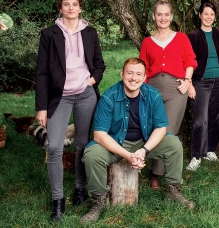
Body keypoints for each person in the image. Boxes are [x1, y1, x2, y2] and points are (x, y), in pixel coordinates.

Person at [80, 58, 195, 223]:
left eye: (138, 74)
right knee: (91, 153)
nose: (134, 78)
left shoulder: (153, 94)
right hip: (116, 143)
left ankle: (173, 190)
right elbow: (99, 135)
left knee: (174, 144)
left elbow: (161, 128)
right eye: (130, 73)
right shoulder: (109, 97)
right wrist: (128, 155)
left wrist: (143, 150)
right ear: (122, 74)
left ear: (144, 77)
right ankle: (98, 200)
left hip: (144, 141)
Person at [35, 0, 105, 221]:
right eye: (67, 3)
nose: (71, 7)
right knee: (54, 147)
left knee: (84, 145)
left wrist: (92, 80)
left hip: (86, 95)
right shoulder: (49, 34)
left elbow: (99, 64)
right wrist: (41, 107)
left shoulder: (90, 33)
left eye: (75, 3)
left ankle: (79, 190)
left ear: (81, 7)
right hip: (59, 98)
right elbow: (42, 73)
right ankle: (58, 200)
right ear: (60, 7)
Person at [139, 0, 197, 188]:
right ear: (154, 17)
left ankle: (158, 174)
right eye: (159, 15)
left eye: (166, 14)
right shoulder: (147, 42)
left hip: (176, 88)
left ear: (171, 16)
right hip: (152, 88)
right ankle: (156, 171)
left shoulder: (181, 38)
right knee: (154, 128)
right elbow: (143, 69)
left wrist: (187, 82)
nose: (162, 18)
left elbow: (190, 61)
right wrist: (141, 90)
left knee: (168, 132)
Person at [186, 2, 219, 171]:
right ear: (200, 15)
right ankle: (196, 155)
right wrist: (189, 83)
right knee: (200, 120)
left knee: (216, 118)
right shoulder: (192, 36)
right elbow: (187, 61)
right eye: (205, 14)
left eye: (211, 14)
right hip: (200, 82)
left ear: (214, 17)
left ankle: (210, 150)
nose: (208, 17)